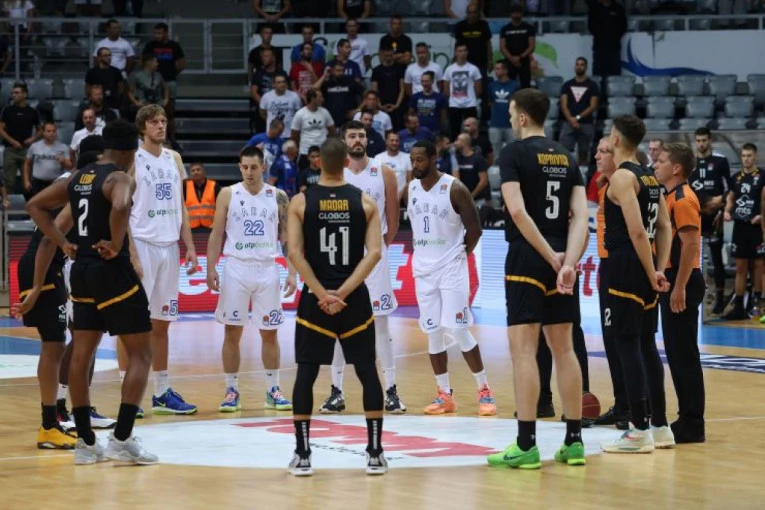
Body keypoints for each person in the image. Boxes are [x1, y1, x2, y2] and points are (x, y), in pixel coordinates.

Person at [25, 120, 157, 465]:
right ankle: (122, 438)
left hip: (80, 270)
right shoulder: (120, 177)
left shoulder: (79, 177)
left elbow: (35, 205)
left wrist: (63, 243)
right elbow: (121, 204)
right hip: (111, 270)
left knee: (81, 352)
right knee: (142, 355)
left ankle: (85, 442)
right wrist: (115, 242)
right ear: (131, 151)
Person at [487, 88, 588, 470]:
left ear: (523, 117)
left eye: (513, 112)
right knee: (565, 349)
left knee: (524, 351)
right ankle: (574, 441)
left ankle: (526, 444)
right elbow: (582, 217)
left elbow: (517, 212)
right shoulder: (567, 156)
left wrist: (549, 256)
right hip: (562, 258)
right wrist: (568, 263)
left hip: (529, 257)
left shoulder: (513, 153)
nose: (512, 119)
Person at [287, 137, 387, 476]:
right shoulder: (365, 201)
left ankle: (303, 455)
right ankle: (375, 454)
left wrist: (322, 293)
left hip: (315, 302)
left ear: (318, 162)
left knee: (307, 373)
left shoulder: (301, 201)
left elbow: (294, 254)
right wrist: (342, 292)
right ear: (346, 162)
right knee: (367, 371)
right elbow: (375, 253)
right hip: (353, 300)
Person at [319, 121, 405, 415]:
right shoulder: (334, 173)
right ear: (344, 140)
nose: (358, 140)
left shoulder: (384, 172)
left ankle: (391, 391)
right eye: (352, 135)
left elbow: (393, 219)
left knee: (380, 324)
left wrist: (376, 249)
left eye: (362, 135)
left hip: (373, 257)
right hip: (340, 258)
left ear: (367, 140)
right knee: (337, 324)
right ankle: (336, 392)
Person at [601, 115, 675, 454]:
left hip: (626, 264)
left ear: (616, 139)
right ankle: (660, 426)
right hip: (646, 264)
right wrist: (658, 268)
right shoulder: (648, 175)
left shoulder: (622, 177)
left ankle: (638, 430)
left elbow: (635, 231)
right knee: (646, 344)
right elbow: (665, 227)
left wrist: (651, 271)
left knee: (627, 344)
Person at [407, 139, 497, 417]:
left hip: (451, 270)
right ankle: (445, 395)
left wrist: (460, 256)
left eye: (420, 160)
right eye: (412, 160)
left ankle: (484, 390)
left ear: (433, 158)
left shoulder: (454, 188)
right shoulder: (411, 188)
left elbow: (475, 230)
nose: (415, 165)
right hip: (423, 271)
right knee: (433, 332)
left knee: (458, 329)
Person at [121, 105, 199, 415]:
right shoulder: (133, 159)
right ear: (143, 127)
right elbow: (122, 208)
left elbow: (181, 205)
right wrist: (130, 252)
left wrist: (189, 245)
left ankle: (161, 392)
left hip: (170, 246)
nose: (161, 126)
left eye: (164, 121)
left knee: (162, 323)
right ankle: (129, 393)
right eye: (154, 122)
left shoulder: (174, 158)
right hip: (143, 244)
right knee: (130, 324)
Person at [206, 145, 296, 413]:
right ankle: (231, 390)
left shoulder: (278, 196)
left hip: (267, 268)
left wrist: (292, 271)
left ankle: (273, 390)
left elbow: (287, 237)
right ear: (239, 167)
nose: (248, 172)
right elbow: (216, 233)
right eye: (244, 167)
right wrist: (210, 268)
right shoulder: (228, 193)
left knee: (270, 332)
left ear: (263, 167)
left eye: (254, 167)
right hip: (236, 267)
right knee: (232, 331)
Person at [653, 142, 707, 444]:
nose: (655, 164)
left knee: (684, 353)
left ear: (676, 168)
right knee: (676, 352)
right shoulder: (669, 196)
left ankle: (693, 422)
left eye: (661, 161)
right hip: (675, 278)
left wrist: (680, 286)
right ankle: (687, 417)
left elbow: (690, 246)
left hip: (683, 279)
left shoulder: (684, 199)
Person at [591, 137, 629, 430]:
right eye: (597, 151)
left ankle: (632, 406)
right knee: (611, 340)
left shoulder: (622, 187)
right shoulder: (604, 187)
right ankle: (623, 404)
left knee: (622, 340)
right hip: (607, 265)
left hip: (621, 267)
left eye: (604, 152)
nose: (597, 156)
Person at [689, 127, 731, 315]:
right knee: (691, 257)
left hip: (714, 217)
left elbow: (730, 189)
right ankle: (691, 295)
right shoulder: (690, 161)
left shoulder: (720, 161)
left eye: (704, 140)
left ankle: (719, 299)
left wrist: (722, 205)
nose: (701, 144)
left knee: (716, 258)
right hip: (694, 215)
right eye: (698, 140)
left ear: (710, 140)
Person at [722, 144, 763, 320]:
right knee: (740, 266)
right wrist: (726, 211)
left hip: (757, 227)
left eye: (749, 156)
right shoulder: (736, 177)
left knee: (759, 266)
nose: (746, 159)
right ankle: (739, 307)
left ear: (755, 156)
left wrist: (762, 216)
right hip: (740, 226)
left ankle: (757, 304)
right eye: (744, 156)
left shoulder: (762, 176)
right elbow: (731, 198)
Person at [559, 57, 600, 166]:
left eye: (582, 65)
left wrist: (577, 118)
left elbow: (593, 106)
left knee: (584, 154)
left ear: (586, 67)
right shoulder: (567, 85)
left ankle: (583, 174)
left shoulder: (592, 85)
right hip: (568, 123)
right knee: (563, 153)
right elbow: (563, 105)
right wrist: (571, 120)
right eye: (577, 64)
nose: (579, 67)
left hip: (586, 124)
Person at [23, 122, 73, 199]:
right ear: (43, 132)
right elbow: (27, 164)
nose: (51, 133)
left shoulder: (63, 147)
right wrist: (26, 181)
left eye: (53, 131)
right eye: (48, 131)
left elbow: (70, 167)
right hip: (38, 183)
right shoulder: (34, 146)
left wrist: (63, 161)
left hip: (55, 182)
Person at [443, 43, 482, 141]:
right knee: (454, 131)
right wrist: (453, 99)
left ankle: (472, 147)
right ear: (456, 53)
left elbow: (478, 89)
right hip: (454, 105)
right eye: (460, 51)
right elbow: (446, 89)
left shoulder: (473, 68)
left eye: (465, 51)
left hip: (470, 104)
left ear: (467, 52)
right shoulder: (449, 69)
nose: (463, 53)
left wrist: (471, 98)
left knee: (472, 131)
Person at [499, 5, 536, 89]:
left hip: (524, 62)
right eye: (514, 12)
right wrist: (511, 58)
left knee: (525, 86)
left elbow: (532, 46)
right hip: (509, 62)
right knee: (509, 86)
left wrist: (520, 57)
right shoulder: (505, 29)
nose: (516, 15)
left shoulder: (529, 28)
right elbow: (502, 47)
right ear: (510, 14)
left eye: (518, 12)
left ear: (521, 14)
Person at [183, 162, 221, 231]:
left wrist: (217, 223)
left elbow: (221, 208)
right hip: (191, 228)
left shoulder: (214, 186)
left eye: (198, 169)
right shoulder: (185, 187)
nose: (195, 172)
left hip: (211, 227)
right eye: (193, 171)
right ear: (190, 174)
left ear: (204, 172)